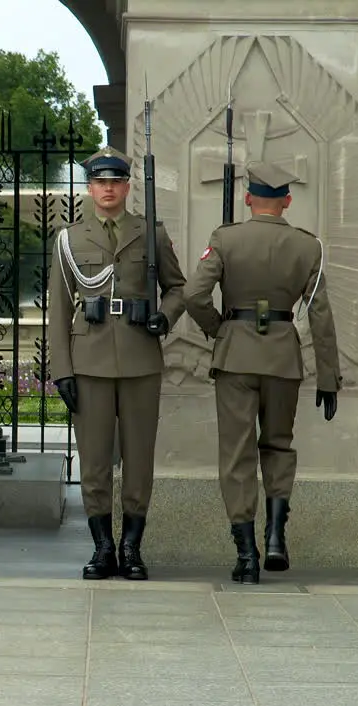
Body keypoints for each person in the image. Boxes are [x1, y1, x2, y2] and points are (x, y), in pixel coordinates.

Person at [184, 160, 341, 585]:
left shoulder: (226, 239)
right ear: (287, 201)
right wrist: (329, 377)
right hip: (283, 359)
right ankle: (275, 535)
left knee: (237, 454)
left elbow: (194, 294)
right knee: (278, 445)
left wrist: (220, 329)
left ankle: (247, 554)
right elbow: (321, 317)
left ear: (249, 198)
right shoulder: (308, 247)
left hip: (235, 357)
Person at [47, 145, 187, 582]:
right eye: (100, 182)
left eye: (115, 181)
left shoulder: (151, 234)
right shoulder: (70, 239)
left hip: (140, 356)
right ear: (90, 188)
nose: (108, 189)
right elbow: (58, 307)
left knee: (139, 458)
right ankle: (102, 546)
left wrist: (166, 316)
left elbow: (178, 288)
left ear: (127, 186)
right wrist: (62, 371)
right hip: (89, 360)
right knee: (93, 458)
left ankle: (132, 545)